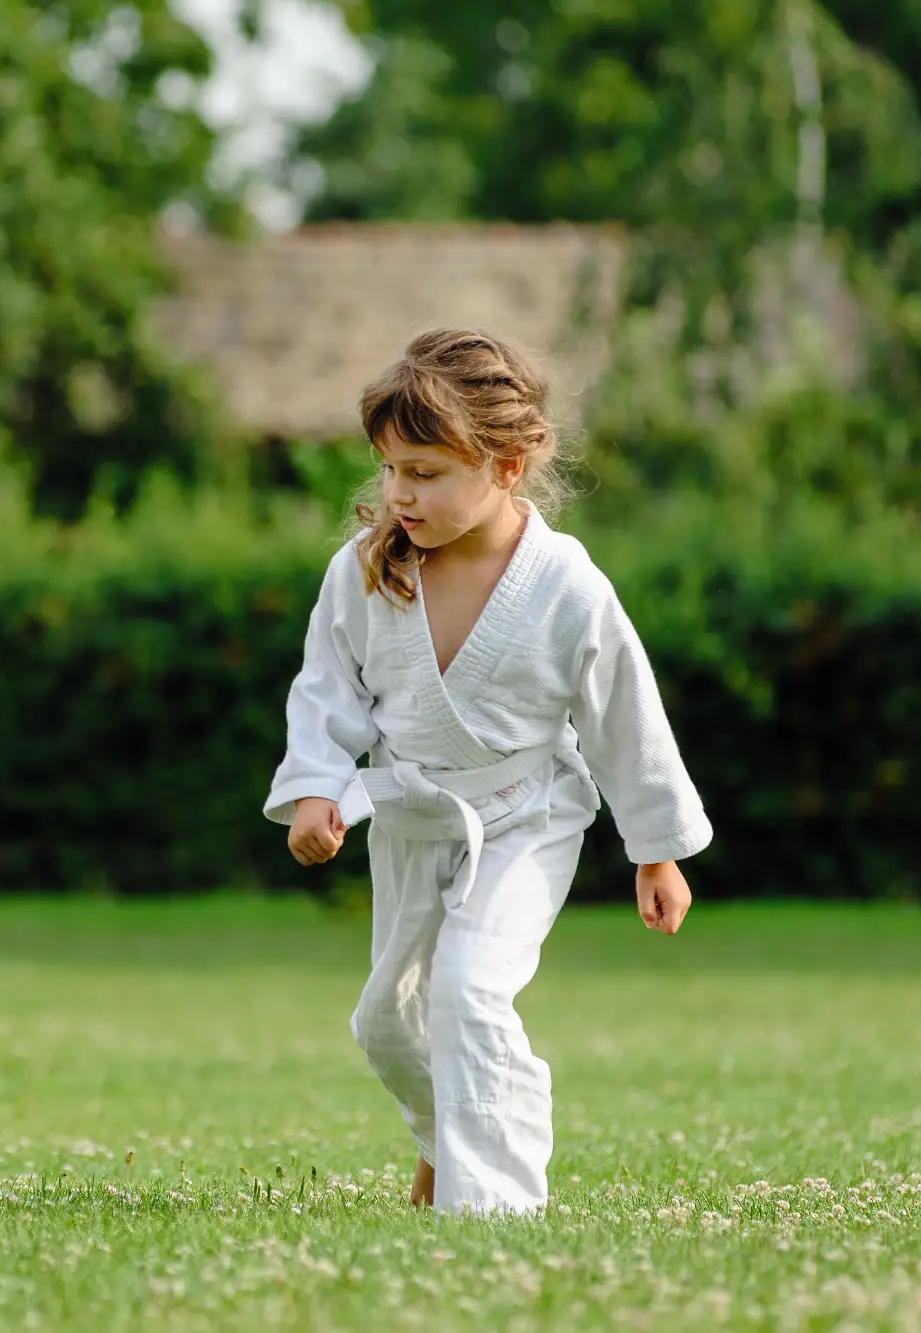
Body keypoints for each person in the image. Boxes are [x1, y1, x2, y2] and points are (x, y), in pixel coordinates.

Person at [265, 328, 711, 1215]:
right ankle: (445, 1143)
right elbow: (325, 693)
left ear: (508, 466)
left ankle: (493, 1209)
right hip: (414, 820)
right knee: (387, 1023)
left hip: (523, 816)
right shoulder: (364, 571)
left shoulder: (566, 587)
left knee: (470, 992)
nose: (399, 493)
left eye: (425, 473)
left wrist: (655, 849)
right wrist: (317, 787)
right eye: (390, 469)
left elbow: (625, 718)